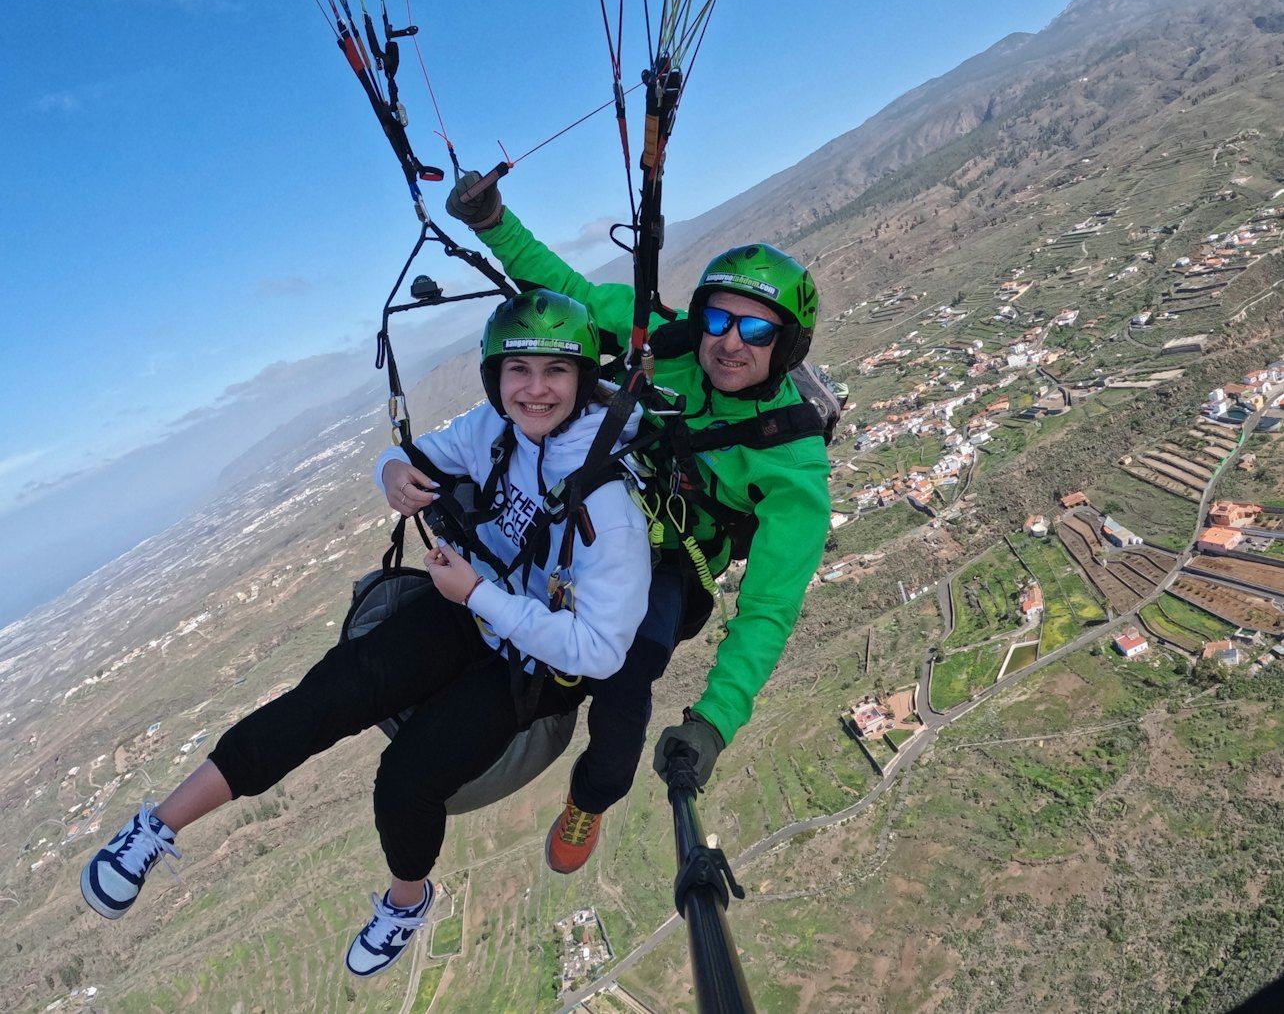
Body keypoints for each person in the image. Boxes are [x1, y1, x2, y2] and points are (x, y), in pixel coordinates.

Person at [80, 289, 651, 977]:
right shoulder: (496, 431)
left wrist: (476, 592)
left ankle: (407, 901)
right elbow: (412, 455)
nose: (534, 390)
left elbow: (600, 649)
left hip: (534, 666)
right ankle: (157, 826)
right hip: (468, 609)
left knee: (404, 781)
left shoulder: (607, 505)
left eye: (554, 372)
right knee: (328, 693)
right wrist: (394, 476)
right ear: (495, 378)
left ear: (583, 379)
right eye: (517, 371)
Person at [446, 172, 831, 875]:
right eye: (719, 319)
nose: (729, 344)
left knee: (625, 683)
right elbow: (568, 293)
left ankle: (592, 795)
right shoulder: (666, 344)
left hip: (672, 563)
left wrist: (714, 723)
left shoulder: (792, 466)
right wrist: (494, 222)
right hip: (599, 505)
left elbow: (769, 610)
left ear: (788, 345)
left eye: (756, 330)